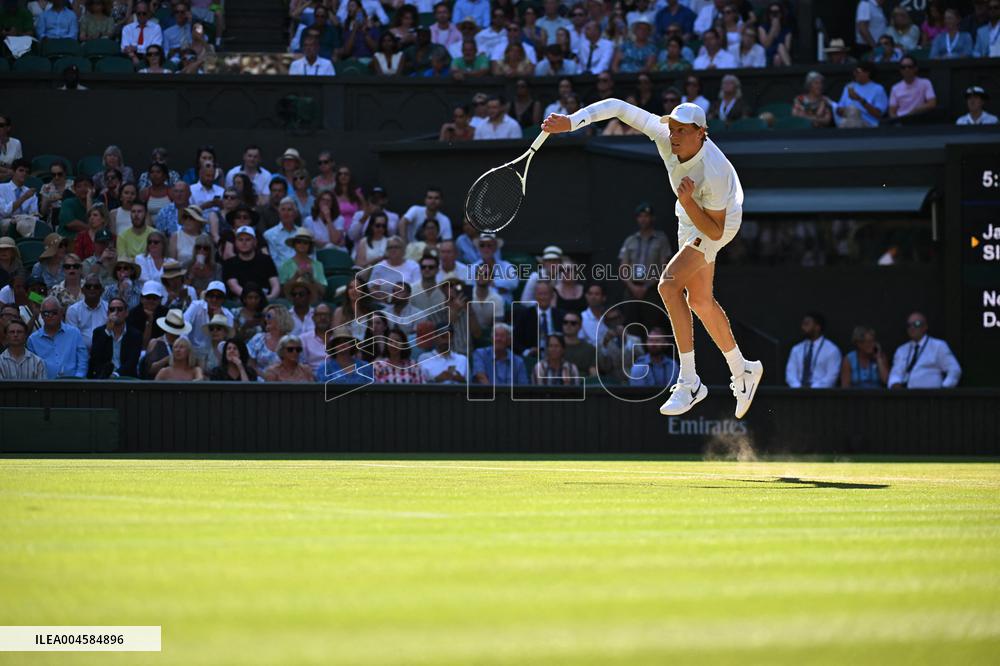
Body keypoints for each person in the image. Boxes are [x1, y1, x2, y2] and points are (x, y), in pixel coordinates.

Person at [544, 99, 763, 417]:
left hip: (719, 223)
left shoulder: (713, 173)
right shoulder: (665, 135)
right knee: (699, 301)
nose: (673, 136)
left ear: (702, 133)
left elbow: (715, 232)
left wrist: (688, 203)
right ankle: (743, 370)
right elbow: (617, 107)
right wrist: (573, 121)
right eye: (672, 128)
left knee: (668, 286)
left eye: (682, 131)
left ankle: (690, 382)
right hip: (689, 216)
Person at [887, 312, 961, 389]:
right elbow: (895, 374)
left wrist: (944, 389)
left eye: (917, 324)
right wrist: (895, 385)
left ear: (925, 327)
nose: (912, 327)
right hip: (908, 397)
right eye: (909, 325)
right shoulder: (901, 350)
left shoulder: (938, 346)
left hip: (931, 397)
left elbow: (954, 370)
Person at [26, 297, 88, 378]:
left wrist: (77, 380)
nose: (50, 316)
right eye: (46, 313)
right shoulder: (33, 339)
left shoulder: (74, 333)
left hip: (73, 384)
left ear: (61, 312)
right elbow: (32, 368)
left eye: (54, 312)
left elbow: (82, 361)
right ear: (41, 315)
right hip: (44, 386)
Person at [87, 296, 141, 378]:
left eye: (119, 309)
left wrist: (116, 375)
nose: (115, 312)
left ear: (126, 313)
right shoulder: (99, 332)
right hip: (103, 378)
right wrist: (107, 332)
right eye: (112, 309)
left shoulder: (135, 334)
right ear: (108, 313)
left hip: (126, 378)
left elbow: (132, 362)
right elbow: (95, 358)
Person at [785, 312, 842, 389]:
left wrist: (811, 390)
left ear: (817, 327)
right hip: (797, 395)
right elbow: (790, 374)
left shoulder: (832, 350)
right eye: (803, 324)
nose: (803, 327)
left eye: (807, 324)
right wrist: (799, 389)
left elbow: (831, 377)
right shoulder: (796, 349)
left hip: (822, 395)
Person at [836, 63, 888, 128]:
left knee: (853, 113)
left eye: (857, 71)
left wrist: (859, 99)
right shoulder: (849, 87)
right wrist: (845, 110)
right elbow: (838, 110)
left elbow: (878, 114)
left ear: (867, 73)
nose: (855, 74)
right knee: (851, 112)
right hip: (847, 121)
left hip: (869, 125)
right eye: (854, 72)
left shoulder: (878, 89)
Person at [65, 273, 108, 348]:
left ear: (102, 290)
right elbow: (72, 338)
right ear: (82, 290)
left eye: (96, 287)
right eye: (88, 286)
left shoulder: (109, 308)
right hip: (80, 353)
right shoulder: (73, 310)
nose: (92, 289)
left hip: (104, 352)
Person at [247, 303, 293, 371]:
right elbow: (250, 365)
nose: (265, 319)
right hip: (260, 379)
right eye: (265, 316)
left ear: (280, 318)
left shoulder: (292, 341)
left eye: (268, 316)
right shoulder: (258, 339)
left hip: (285, 380)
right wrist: (265, 377)